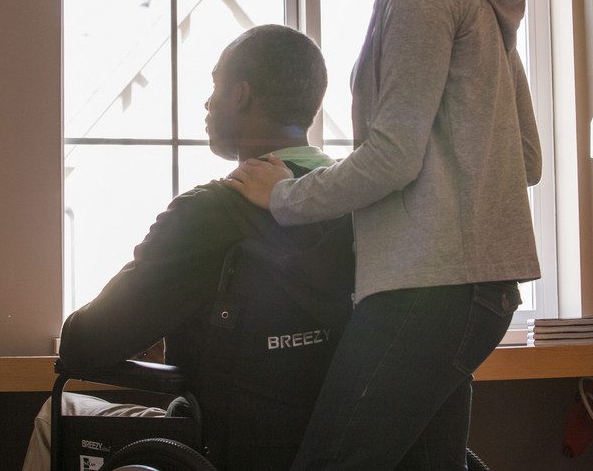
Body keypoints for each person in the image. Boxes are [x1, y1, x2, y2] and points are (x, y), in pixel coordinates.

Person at [222, 0, 542, 468]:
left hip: (427, 288)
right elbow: (527, 160)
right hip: (480, 294)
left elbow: (393, 157)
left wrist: (284, 196)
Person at [22, 25, 354, 470]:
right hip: (331, 451)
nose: (208, 103)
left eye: (216, 86)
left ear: (241, 94)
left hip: (214, 450)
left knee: (55, 413)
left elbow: (84, 345)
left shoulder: (210, 212)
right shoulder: (351, 205)